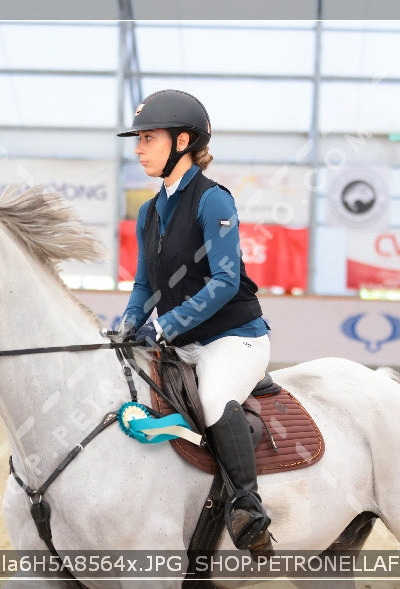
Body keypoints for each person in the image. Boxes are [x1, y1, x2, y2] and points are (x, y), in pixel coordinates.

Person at [117, 89, 273, 556]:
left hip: (234, 338)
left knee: (211, 398)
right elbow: (146, 286)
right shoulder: (149, 211)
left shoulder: (213, 200)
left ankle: (248, 508)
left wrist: (165, 327)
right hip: (181, 340)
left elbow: (225, 282)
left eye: (148, 138)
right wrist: (128, 324)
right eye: (138, 139)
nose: (138, 148)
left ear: (182, 140)